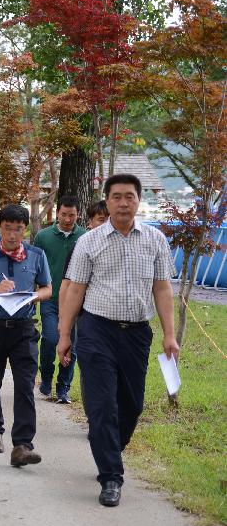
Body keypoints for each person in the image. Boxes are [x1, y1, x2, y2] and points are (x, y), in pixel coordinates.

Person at [59, 174, 178, 508]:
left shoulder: (154, 239)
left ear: (138, 201)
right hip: (97, 330)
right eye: (117, 197)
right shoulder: (90, 241)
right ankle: (111, 477)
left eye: (130, 196)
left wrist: (170, 335)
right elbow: (76, 290)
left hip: (137, 334)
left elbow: (162, 288)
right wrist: (65, 335)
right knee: (101, 406)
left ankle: (109, 445)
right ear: (107, 201)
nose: (123, 202)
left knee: (132, 404)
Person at [0, 204, 52, 466]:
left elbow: (48, 288)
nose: (13, 235)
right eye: (7, 228)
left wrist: (33, 297)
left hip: (24, 328)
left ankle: (23, 444)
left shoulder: (37, 255)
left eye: (18, 229)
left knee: (25, 384)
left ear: (25, 229)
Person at [32, 195, 87, 403]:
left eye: (72, 215)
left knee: (71, 344)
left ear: (78, 215)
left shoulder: (84, 237)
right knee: (50, 340)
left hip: (75, 302)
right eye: (64, 214)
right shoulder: (43, 237)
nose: (67, 219)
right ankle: (45, 378)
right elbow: (35, 267)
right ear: (57, 213)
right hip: (50, 298)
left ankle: (63, 387)